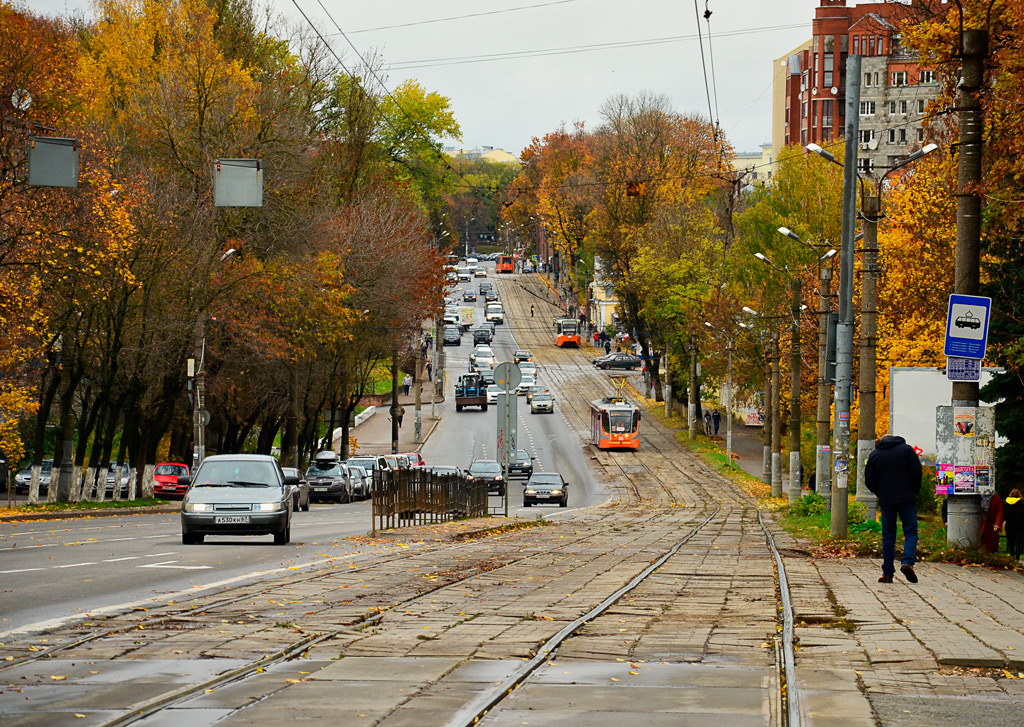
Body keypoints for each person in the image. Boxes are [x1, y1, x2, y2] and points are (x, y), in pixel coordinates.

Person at [864, 433, 923, 583]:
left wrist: (881, 492)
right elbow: (917, 471)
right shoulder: (907, 450)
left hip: (886, 500)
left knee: (888, 535)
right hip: (906, 498)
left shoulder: (875, 455)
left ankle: (887, 573)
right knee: (910, 531)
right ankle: (907, 562)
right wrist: (913, 490)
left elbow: (869, 480)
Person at [1004, 489, 1024, 559]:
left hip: (1009, 525)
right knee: (1018, 542)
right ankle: (1017, 557)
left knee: (1011, 541)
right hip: (1019, 526)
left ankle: (1012, 554)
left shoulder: (1006, 504)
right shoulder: (1022, 504)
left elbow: (1004, 516)